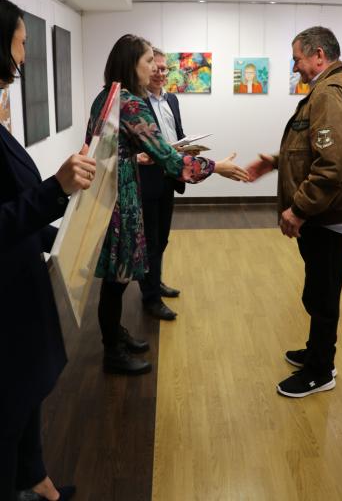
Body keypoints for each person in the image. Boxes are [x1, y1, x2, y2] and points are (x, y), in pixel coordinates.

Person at [86, 34, 249, 376]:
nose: (155, 68)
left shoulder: (107, 95)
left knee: (117, 278)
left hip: (111, 193)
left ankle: (115, 334)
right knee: (117, 279)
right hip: (123, 199)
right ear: (132, 64)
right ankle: (112, 350)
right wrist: (217, 167)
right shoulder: (130, 103)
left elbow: (108, 150)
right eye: (149, 61)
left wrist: (134, 156)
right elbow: (170, 159)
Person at [0, 0, 96, 501]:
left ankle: (35, 478)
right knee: (9, 406)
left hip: (20, 292)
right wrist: (55, 189)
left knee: (27, 394)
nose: (23, 56)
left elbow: (14, 212)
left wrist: (66, 236)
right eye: (20, 43)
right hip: (5, 306)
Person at [248, 26, 342, 398]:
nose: (294, 67)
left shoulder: (330, 93)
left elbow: (333, 166)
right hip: (327, 213)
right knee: (318, 290)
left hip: (326, 216)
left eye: (297, 59)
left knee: (322, 295)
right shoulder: (331, 88)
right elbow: (313, 149)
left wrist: (298, 209)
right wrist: (275, 161)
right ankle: (316, 352)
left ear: (319, 55)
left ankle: (321, 370)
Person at [138, 48, 186, 321]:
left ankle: (155, 282)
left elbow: (177, 133)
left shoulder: (172, 100)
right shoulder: (137, 104)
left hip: (169, 177)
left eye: (163, 68)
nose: (159, 73)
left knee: (162, 237)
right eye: (154, 67)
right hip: (147, 179)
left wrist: (187, 147)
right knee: (151, 240)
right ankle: (151, 298)